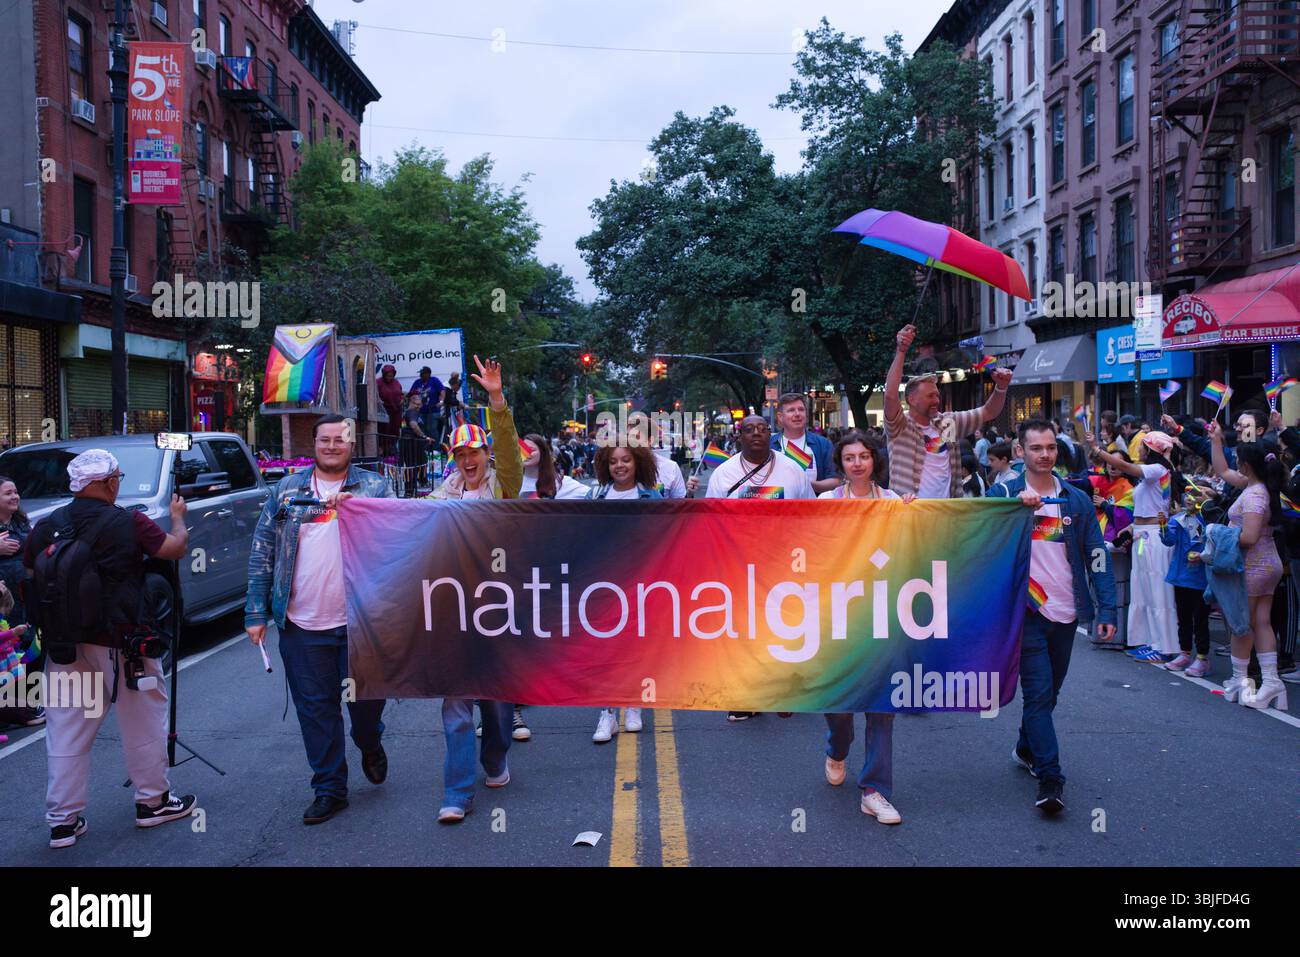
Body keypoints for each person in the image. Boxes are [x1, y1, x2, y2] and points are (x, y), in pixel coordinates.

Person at [25, 450, 197, 847]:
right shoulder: (128, 522)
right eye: (117, 476)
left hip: (66, 645)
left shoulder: (48, 525)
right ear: (106, 484)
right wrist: (177, 517)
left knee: (67, 731)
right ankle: (152, 803)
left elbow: (32, 574)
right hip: (126, 646)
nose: (119, 482)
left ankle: (63, 823)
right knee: (143, 725)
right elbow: (174, 549)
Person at [245, 415, 395, 826]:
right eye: (324, 439)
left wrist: (361, 512)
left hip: (360, 623)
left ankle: (369, 740)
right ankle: (330, 789)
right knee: (316, 711)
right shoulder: (286, 491)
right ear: (313, 444)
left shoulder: (375, 487)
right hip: (301, 624)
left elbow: (395, 541)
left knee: (364, 705)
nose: (332, 446)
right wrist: (256, 611)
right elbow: (263, 551)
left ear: (351, 445)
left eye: (340, 440)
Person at [988, 420, 1117, 814]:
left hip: (1066, 613)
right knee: (1039, 694)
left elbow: (1097, 554)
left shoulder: (1076, 499)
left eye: (1050, 448)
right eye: (1036, 448)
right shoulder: (1004, 494)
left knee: (1051, 694)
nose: (1044, 454)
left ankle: (1027, 747)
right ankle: (1051, 778)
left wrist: (1106, 608)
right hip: (1024, 613)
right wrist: (1012, 513)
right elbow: (976, 537)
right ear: (1020, 451)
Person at [430, 357, 524, 821]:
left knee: (498, 704)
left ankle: (497, 755)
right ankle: (457, 792)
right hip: (453, 612)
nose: (468, 461)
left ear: (486, 455)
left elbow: (509, 450)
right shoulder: (438, 497)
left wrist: (495, 399)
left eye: (475, 453)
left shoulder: (504, 486)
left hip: (500, 610)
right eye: (460, 455)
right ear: (453, 459)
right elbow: (406, 531)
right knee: (456, 703)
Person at [816, 430, 914, 824]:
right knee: (840, 710)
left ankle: (874, 790)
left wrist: (914, 517)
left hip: (882, 616)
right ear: (840, 463)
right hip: (837, 619)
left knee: (881, 708)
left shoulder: (893, 502)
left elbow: (909, 551)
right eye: (850, 457)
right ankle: (838, 749)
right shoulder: (824, 504)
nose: (857, 462)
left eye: (864, 456)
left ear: (875, 460)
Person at [690, 415, 812, 719]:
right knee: (745, 631)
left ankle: (782, 691)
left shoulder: (792, 469)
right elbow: (711, 521)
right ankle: (746, 696)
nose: (757, 433)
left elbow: (811, 512)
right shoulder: (723, 473)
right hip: (739, 564)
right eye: (749, 430)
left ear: (770, 434)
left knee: (783, 628)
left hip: (783, 563)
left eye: (762, 429)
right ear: (739, 436)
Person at [1208, 424, 1288, 711]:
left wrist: (1217, 533)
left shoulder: (1254, 495)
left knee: (1241, 625)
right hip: (1267, 564)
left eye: (1238, 460)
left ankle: (1242, 680)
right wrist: (1216, 441)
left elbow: (1249, 537)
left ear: (1246, 464)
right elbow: (1223, 472)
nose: (1234, 465)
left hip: (1253, 566)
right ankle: (1270, 682)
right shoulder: (1256, 485)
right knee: (1260, 622)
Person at [587, 443, 663, 743]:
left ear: (637, 463)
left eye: (626, 460)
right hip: (604, 584)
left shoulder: (652, 497)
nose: (620, 466)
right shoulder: (595, 497)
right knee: (606, 650)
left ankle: (633, 705)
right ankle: (606, 713)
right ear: (605, 466)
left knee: (635, 647)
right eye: (614, 462)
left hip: (642, 583)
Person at [884, 323, 1012, 498]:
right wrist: (901, 352)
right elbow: (890, 396)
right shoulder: (900, 426)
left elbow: (988, 412)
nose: (936, 400)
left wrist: (1001, 388)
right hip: (910, 515)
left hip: (947, 514)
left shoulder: (947, 422)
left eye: (937, 395)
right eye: (930, 396)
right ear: (911, 400)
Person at [1086, 429, 1179, 660]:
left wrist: (1098, 450)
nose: (1138, 448)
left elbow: (1128, 468)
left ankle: (1165, 647)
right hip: (1142, 535)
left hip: (1155, 537)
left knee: (1158, 593)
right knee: (1144, 592)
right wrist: (1132, 527)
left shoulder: (1158, 469)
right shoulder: (1155, 472)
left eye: (1143, 445)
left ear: (1152, 450)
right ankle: (1148, 641)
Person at [0, 475, 40, 728]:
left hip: (27, 598)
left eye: (16, 492)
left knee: (29, 647)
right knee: (7, 654)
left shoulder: (21, 522)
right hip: (4, 604)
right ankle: (12, 709)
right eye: (8, 493)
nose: (15, 496)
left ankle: (28, 703)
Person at [1159, 487, 1211, 677]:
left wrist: (1203, 555)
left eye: (1195, 495)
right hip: (1181, 576)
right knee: (1183, 618)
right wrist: (1163, 526)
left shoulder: (1209, 519)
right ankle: (1185, 653)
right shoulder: (1177, 519)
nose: (1189, 499)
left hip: (1201, 578)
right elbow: (1168, 541)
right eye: (1187, 495)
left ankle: (1203, 658)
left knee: (1201, 620)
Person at [772, 393, 839, 495]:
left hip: (814, 507)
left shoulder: (823, 444)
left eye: (801, 409)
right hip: (778, 508)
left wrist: (806, 485)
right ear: (780, 417)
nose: (797, 414)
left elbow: (835, 480)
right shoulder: (769, 445)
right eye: (791, 410)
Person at [520, 434, 588, 500]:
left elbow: (592, 495)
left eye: (531, 450)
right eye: (522, 449)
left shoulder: (562, 482)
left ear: (543, 453)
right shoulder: (511, 483)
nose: (526, 453)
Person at [399, 391, 435, 497]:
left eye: (420, 405)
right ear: (411, 402)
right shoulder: (411, 412)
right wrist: (424, 437)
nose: (419, 407)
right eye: (417, 404)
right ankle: (409, 490)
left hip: (413, 444)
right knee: (411, 466)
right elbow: (414, 425)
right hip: (410, 443)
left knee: (421, 462)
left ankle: (419, 485)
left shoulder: (412, 412)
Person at [377, 364, 405, 451]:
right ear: (384, 375)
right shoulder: (378, 382)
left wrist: (402, 399)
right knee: (385, 431)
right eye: (388, 375)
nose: (390, 377)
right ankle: (384, 451)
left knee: (395, 430)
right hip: (385, 411)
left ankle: (393, 450)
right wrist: (379, 402)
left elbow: (401, 393)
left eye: (391, 375)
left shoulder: (396, 382)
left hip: (396, 411)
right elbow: (375, 395)